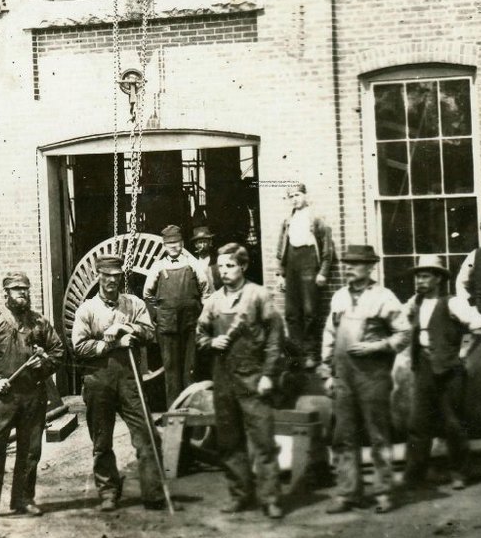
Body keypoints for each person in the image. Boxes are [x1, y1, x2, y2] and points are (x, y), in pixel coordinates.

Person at [0, 273, 65, 519]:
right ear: (5, 293)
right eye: (17, 289)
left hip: (33, 396)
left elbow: (58, 351)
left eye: (25, 289)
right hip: (2, 399)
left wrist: (42, 365)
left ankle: (23, 499)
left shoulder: (39, 323)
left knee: (30, 450)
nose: (23, 293)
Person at [70, 255, 168, 511]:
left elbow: (150, 332)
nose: (111, 280)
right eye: (106, 275)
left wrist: (128, 330)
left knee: (147, 434)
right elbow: (79, 346)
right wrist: (110, 343)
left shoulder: (133, 304)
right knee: (102, 442)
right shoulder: (87, 309)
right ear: (99, 276)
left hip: (129, 378)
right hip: (98, 380)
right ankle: (108, 491)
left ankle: (154, 492)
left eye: (115, 275)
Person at [196, 243, 285, 519]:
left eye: (230, 265)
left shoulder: (258, 296)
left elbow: (275, 338)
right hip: (223, 379)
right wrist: (212, 341)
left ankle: (270, 498)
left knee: (263, 439)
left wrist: (269, 375)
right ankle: (240, 494)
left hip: (254, 376)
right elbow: (199, 337)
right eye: (221, 266)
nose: (224, 271)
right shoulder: (213, 302)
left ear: (243, 267)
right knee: (229, 440)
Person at [320, 244, 410, 514]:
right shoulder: (338, 298)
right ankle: (349, 492)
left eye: (356, 263)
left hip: (373, 377)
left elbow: (404, 334)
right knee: (344, 436)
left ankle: (383, 492)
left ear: (370, 266)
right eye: (347, 263)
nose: (349, 267)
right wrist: (327, 372)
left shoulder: (384, 297)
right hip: (344, 378)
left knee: (378, 435)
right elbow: (329, 335)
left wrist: (376, 347)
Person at [402, 255, 481, 491]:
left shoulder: (453, 303)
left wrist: (463, 352)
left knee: (453, 423)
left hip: (450, 370)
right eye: (417, 276)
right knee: (418, 423)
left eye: (425, 276)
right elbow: (401, 320)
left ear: (438, 279)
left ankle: (460, 472)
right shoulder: (415, 303)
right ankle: (415, 473)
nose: (419, 281)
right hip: (423, 368)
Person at [143, 225, 212, 409]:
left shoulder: (193, 264)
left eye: (177, 243)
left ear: (182, 243)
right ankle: (174, 413)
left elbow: (206, 290)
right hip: (167, 327)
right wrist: (160, 314)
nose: (174, 247)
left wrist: (203, 315)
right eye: (170, 244)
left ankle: (191, 411)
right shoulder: (158, 266)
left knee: (191, 369)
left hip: (191, 324)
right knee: (171, 371)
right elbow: (148, 294)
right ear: (164, 246)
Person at [275, 182, 336, 369]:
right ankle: (296, 354)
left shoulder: (316, 219)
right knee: (292, 313)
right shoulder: (287, 221)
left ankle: (310, 354)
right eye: (291, 196)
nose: (295, 199)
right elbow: (281, 249)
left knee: (310, 311)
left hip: (310, 264)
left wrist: (323, 272)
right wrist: (280, 274)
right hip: (292, 265)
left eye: (298, 195)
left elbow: (327, 249)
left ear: (305, 196)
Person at [191, 225, 223, 291]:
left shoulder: (217, 261)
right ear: (195, 245)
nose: (202, 245)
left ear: (210, 243)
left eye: (205, 242)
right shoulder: (193, 262)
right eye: (200, 242)